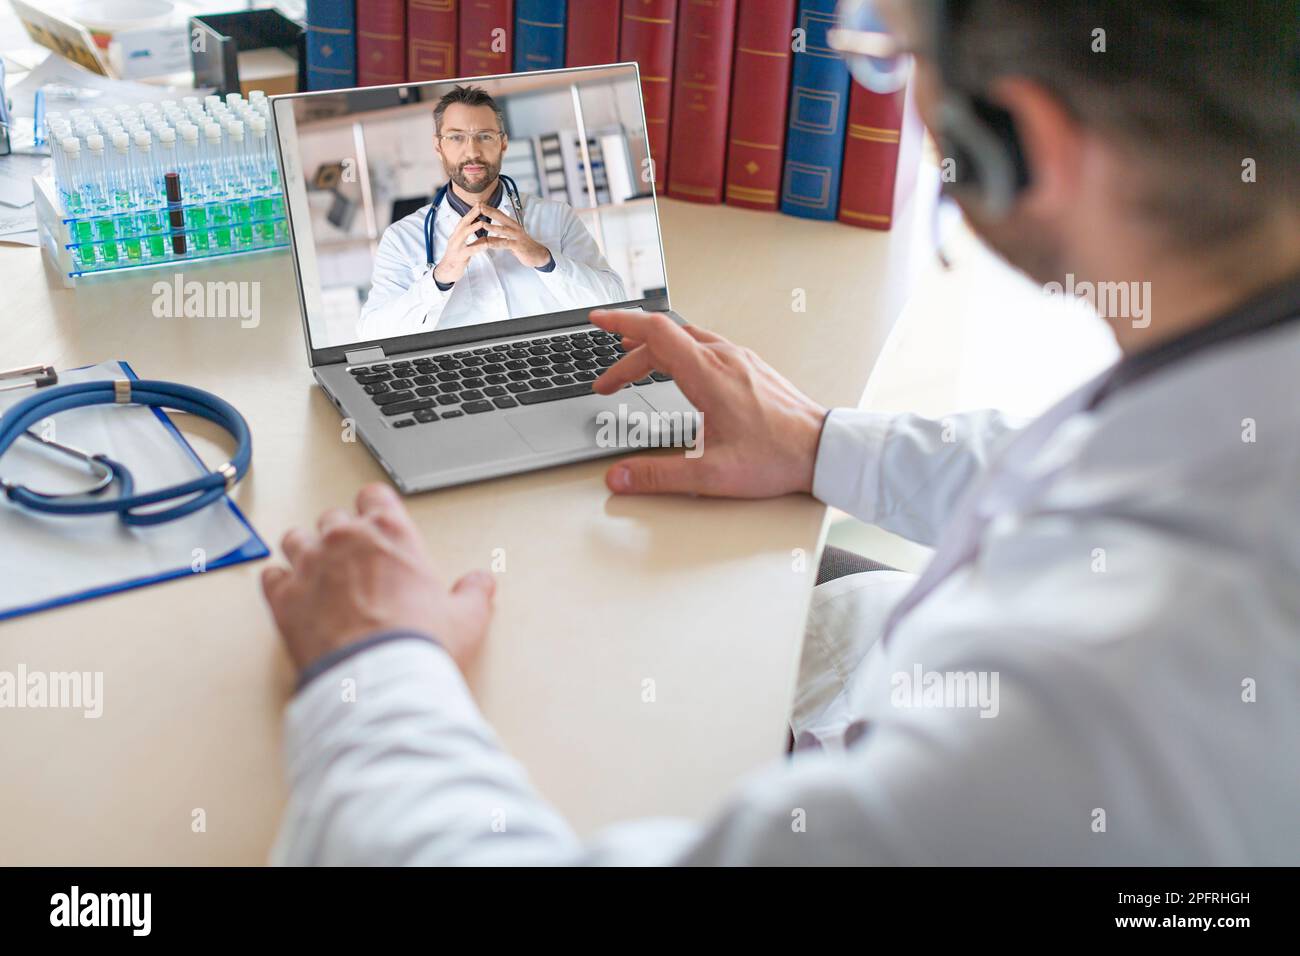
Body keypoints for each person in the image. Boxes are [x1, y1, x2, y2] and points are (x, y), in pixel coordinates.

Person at [262, 0, 1300, 864]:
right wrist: (821, 441)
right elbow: (1097, 456)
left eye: (895, 60)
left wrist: (378, 673)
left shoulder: (1087, 711)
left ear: (1015, 140)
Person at [357, 85, 626, 339]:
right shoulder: (402, 238)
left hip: (552, 366)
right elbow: (372, 335)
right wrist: (440, 278)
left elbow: (615, 306)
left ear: (503, 143)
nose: (472, 151)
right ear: (439, 146)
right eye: (456, 137)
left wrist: (545, 260)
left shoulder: (557, 217)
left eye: (484, 136)